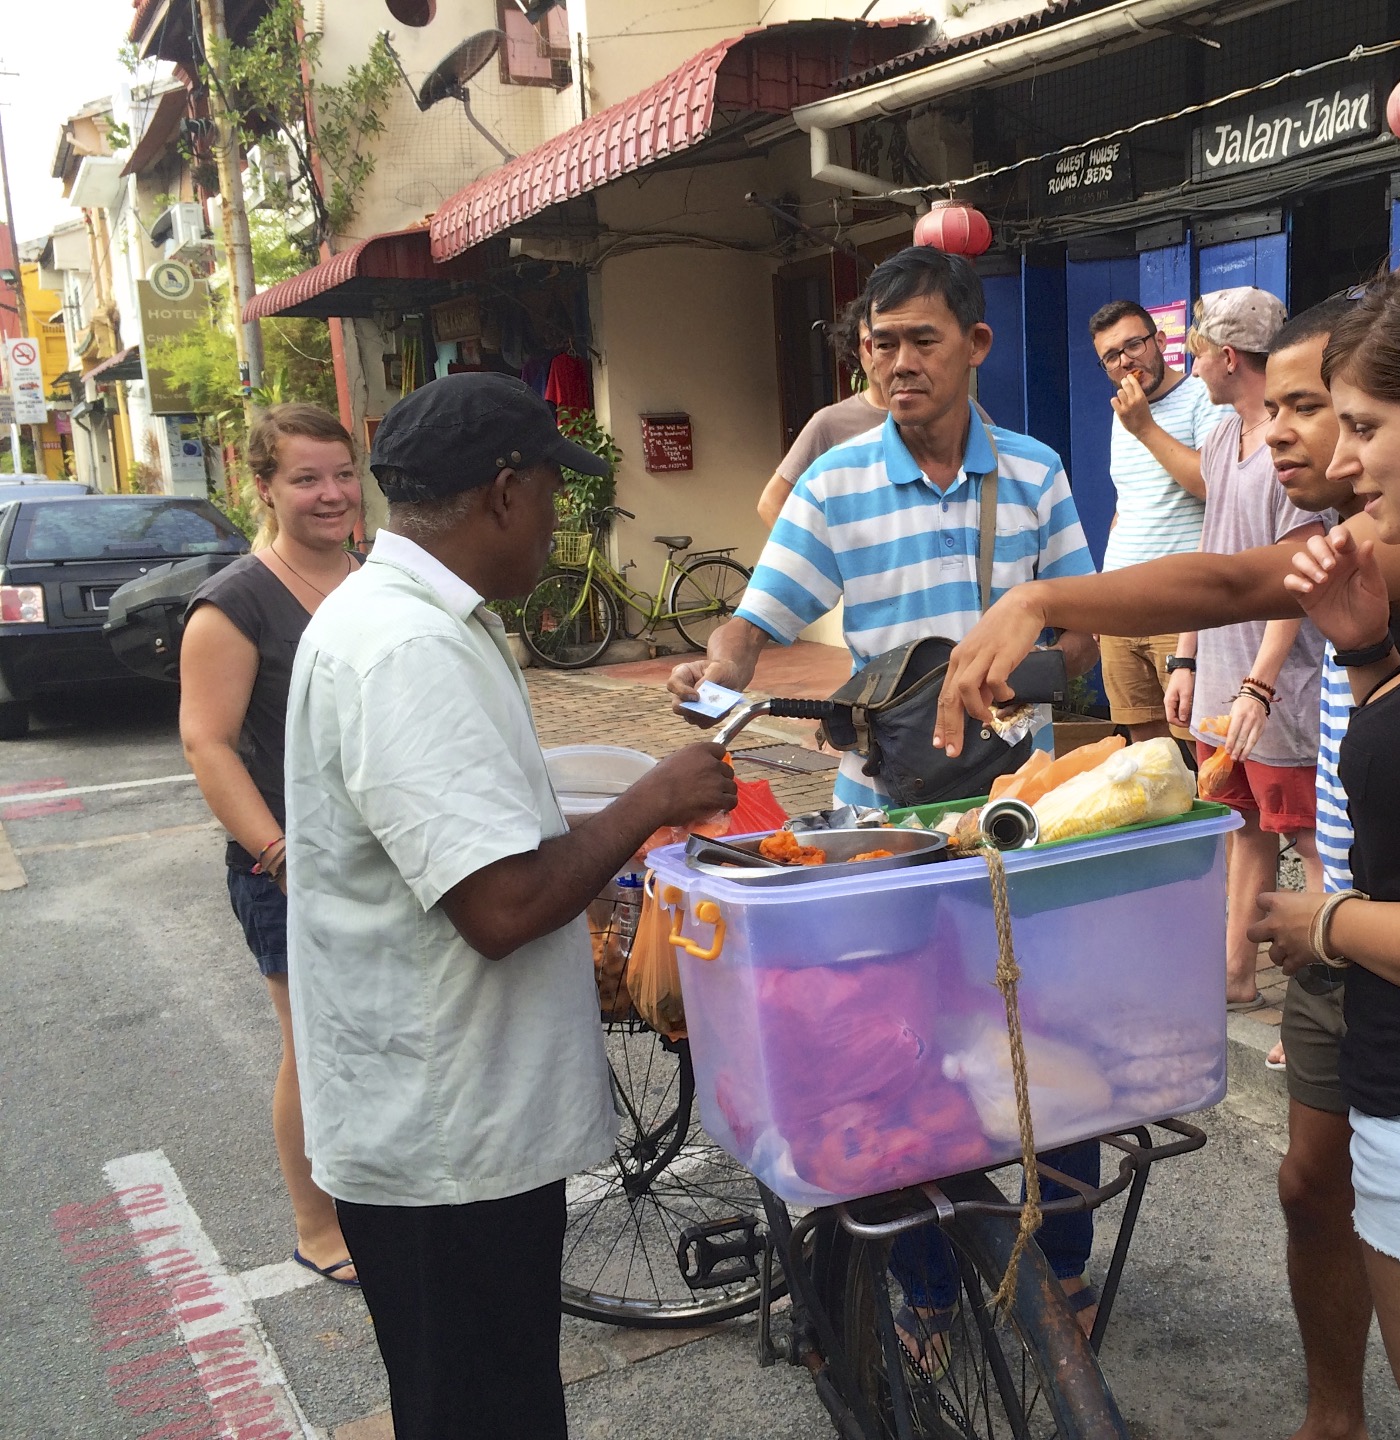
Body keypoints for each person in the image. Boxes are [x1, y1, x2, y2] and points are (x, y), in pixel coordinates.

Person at [937, 242, 1400, 1440]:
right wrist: (1370, 652)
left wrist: (1311, 921)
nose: (1338, 456)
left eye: (1362, 423)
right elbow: (1253, 595)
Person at [667, 244, 1104, 1359]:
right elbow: (757, 618)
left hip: (1020, 808)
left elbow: (1082, 629)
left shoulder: (1040, 474)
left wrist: (1040, 667)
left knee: (1049, 1039)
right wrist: (718, 672)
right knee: (900, 1051)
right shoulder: (836, 481)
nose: (898, 363)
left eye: (920, 341)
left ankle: (1058, 1265)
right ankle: (925, 1287)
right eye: (879, 345)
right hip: (887, 818)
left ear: (976, 345)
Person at [283, 372, 737, 1440]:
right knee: (482, 1415)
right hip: (444, 1143)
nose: (554, 520)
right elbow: (499, 906)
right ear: (500, 493)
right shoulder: (406, 648)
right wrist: (651, 799)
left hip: (448, 1125)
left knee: (492, 1406)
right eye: (547, 490)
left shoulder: (417, 618)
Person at [179, 404, 366, 1289]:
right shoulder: (235, 603)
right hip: (288, 868)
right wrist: (280, 854)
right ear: (263, 487)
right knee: (312, 1046)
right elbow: (207, 744)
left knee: (371, 1038)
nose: (331, 494)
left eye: (340, 474)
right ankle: (316, 1225)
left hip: (373, 862)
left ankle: (375, 1198)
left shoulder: (366, 576)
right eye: (305, 478)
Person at [1165, 287, 1332, 1016]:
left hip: (1282, 690)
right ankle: (1234, 973)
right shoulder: (1219, 440)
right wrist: (1187, 657)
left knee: (1314, 843)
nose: (1194, 368)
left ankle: (1322, 996)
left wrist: (1259, 686)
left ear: (1228, 356)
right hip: (1223, 679)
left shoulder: (1292, 452)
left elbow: (1298, 576)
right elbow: (1213, 553)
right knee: (1242, 832)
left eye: (1198, 352)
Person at [1088, 298, 1230, 742]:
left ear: (1161, 342)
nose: (1125, 361)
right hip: (1120, 607)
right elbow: (1127, 503)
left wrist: (1144, 426)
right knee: (1146, 760)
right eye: (1111, 356)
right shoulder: (1124, 414)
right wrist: (1102, 595)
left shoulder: (1203, 399)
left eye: (1134, 345)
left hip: (1182, 607)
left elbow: (1214, 486)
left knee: (1200, 745)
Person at [756, 297, 889, 528]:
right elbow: (771, 503)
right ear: (857, 350)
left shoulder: (953, 414)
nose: (880, 353)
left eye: (889, 342)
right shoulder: (830, 423)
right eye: (872, 343)